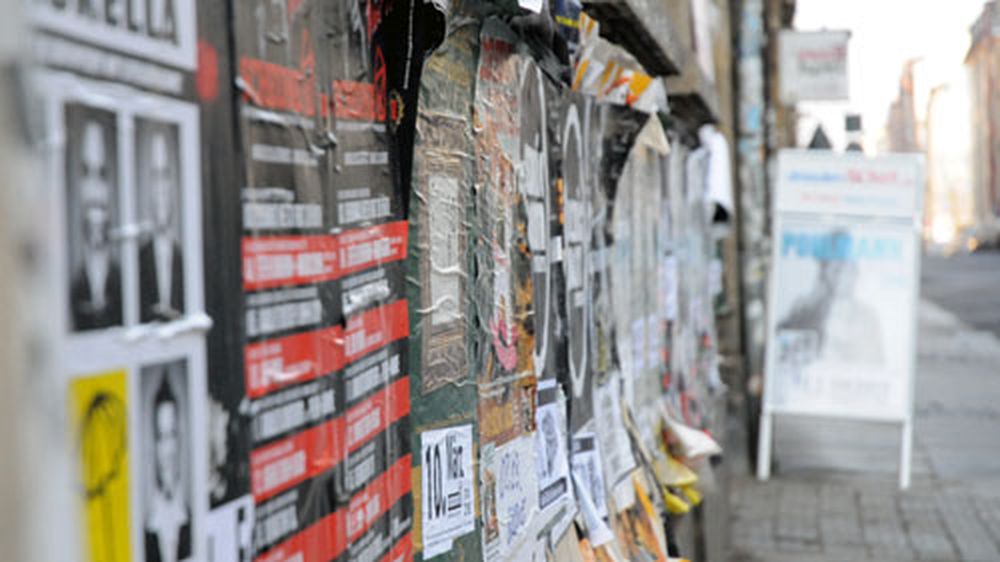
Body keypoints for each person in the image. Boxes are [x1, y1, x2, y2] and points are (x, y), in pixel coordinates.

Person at [70, 120, 123, 331]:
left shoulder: (121, 276)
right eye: (86, 173)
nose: (94, 189)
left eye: (101, 174)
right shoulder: (73, 279)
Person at [139, 130, 184, 323]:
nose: (161, 189)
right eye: (155, 178)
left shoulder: (183, 255)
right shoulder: (140, 258)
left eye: (164, 175)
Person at [145, 376, 191, 562]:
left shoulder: (189, 518)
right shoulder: (148, 527)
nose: (168, 450)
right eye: (161, 437)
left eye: (172, 435)